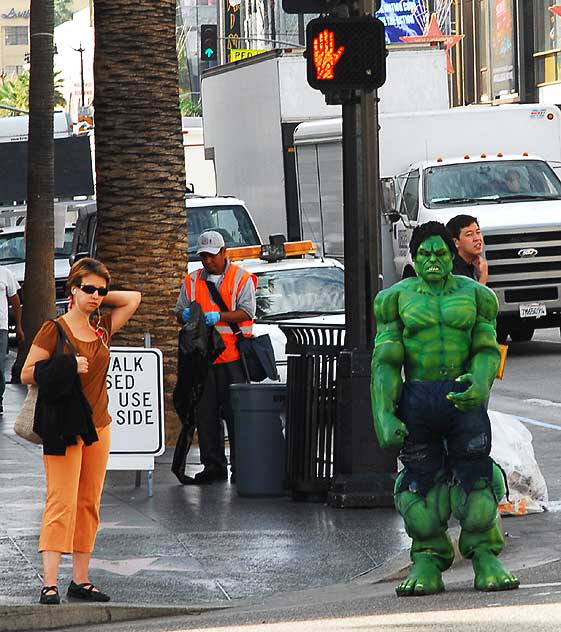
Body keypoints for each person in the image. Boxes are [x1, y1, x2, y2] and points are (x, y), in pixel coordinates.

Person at [371, 221, 519, 597]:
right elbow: (386, 361)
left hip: (463, 397)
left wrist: (481, 381)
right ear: (414, 257)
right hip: (418, 400)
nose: (433, 260)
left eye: (440, 253)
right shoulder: (395, 299)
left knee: (478, 484)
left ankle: (486, 555)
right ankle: (427, 558)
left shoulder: (476, 296)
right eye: (425, 254)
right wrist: (384, 415)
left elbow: (486, 349)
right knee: (420, 495)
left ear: (450, 254)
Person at [21, 258, 141, 605]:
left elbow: (132, 298)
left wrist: (98, 294)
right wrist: (66, 364)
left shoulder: (102, 328)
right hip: (63, 427)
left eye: (101, 291)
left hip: (98, 427)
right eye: (88, 288)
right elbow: (27, 372)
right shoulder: (53, 330)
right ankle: (49, 583)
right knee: (61, 501)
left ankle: (81, 579)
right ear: (72, 288)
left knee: (89, 503)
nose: (97, 296)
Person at [175, 230, 256, 484]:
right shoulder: (191, 281)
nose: (207, 261)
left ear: (224, 253)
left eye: (211, 256)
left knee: (236, 415)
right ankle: (214, 466)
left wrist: (218, 317)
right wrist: (185, 316)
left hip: (232, 357)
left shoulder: (241, 279)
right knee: (206, 414)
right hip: (203, 359)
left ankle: (242, 466)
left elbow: (246, 312)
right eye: (203, 257)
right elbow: (179, 312)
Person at [0, 265, 24, 413]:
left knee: (0, 364)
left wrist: (19, 326)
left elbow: (15, 301)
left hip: (1, 326)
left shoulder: (5, 273)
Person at [445, 214, 488, 284]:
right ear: (456, 242)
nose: (477, 238)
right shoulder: (452, 273)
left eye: (478, 232)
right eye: (469, 234)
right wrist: (483, 276)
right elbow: (473, 295)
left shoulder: (473, 264)